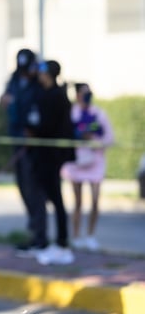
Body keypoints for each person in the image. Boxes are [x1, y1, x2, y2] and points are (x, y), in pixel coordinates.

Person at [25, 60, 75, 265]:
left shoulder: (58, 96)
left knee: (56, 198)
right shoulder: (41, 93)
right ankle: (44, 239)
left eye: (44, 72)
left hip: (51, 156)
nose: (40, 75)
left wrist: (34, 131)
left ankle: (62, 242)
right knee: (42, 197)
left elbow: (49, 125)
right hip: (40, 154)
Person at [0, 48, 46, 256]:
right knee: (23, 186)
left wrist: (33, 132)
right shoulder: (14, 80)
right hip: (17, 139)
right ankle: (34, 232)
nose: (25, 73)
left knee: (34, 190)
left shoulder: (39, 85)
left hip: (34, 145)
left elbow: (40, 113)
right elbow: (6, 101)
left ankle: (40, 237)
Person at [61, 82, 115, 252]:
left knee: (95, 201)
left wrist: (94, 139)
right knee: (77, 202)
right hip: (77, 161)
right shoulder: (71, 113)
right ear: (77, 95)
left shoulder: (99, 113)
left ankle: (90, 236)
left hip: (95, 161)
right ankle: (76, 237)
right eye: (84, 93)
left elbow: (109, 137)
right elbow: (65, 135)